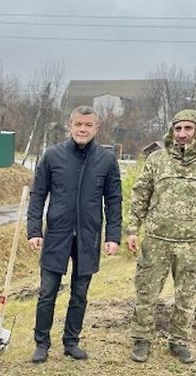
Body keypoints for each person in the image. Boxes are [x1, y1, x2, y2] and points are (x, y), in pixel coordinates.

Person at [125, 109, 196, 364]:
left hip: (193, 242)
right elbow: (140, 194)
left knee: (186, 295)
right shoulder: (157, 159)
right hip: (156, 239)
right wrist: (133, 229)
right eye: (178, 129)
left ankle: (180, 342)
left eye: (188, 128)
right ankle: (142, 340)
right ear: (171, 131)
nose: (183, 134)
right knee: (146, 292)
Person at [27, 105, 122, 363]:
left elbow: (114, 200)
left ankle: (71, 341)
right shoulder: (52, 156)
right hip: (57, 235)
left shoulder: (106, 160)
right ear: (70, 126)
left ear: (96, 128)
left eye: (88, 125)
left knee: (79, 293)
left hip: (88, 237)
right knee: (47, 291)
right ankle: (41, 343)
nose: (82, 129)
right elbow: (38, 195)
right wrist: (34, 230)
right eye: (78, 124)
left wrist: (112, 236)